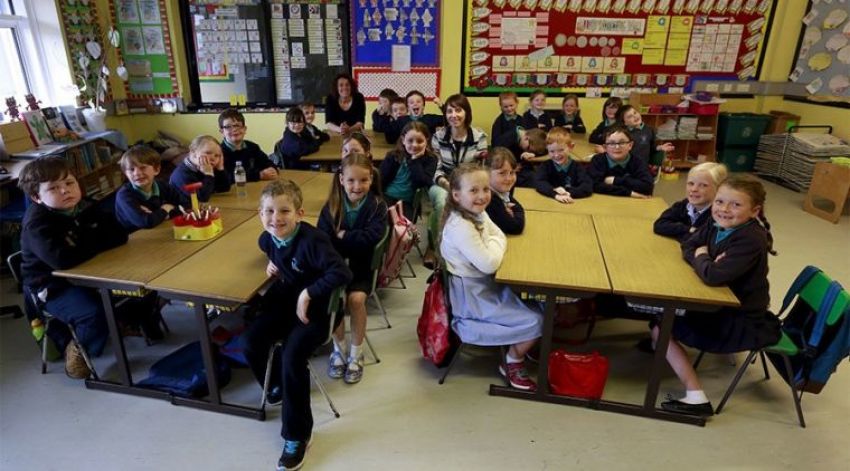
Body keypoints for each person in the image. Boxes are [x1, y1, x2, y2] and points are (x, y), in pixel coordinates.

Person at [242, 180, 352, 470]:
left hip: (319, 310)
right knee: (251, 340)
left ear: (300, 214)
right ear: (259, 214)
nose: (275, 218)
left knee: (293, 357)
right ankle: (279, 387)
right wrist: (271, 262)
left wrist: (308, 293)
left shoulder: (313, 241)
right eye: (268, 211)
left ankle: (298, 435)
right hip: (287, 303)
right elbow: (266, 245)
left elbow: (342, 272)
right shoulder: (268, 238)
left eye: (284, 211)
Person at [18, 157, 156, 379]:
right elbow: (63, 260)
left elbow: (119, 235)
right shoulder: (37, 224)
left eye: (69, 183)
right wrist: (95, 240)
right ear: (36, 197)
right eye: (53, 188)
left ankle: (120, 323)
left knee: (145, 285)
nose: (65, 191)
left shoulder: (85, 205)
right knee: (93, 314)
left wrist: (84, 243)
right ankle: (78, 351)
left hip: (92, 270)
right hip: (52, 286)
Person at [658, 175, 781, 416]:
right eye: (720, 202)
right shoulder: (717, 224)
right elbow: (689, 244)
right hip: (722, 303)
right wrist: (705, 258)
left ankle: (696, 397)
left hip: (740, 318)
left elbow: (713, 276)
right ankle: (664, 347)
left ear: (754, 210)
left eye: (736, 205)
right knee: (662, 319)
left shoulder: (750, 239)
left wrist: (703, 258)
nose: (724, 209)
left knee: (660, 325)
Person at [439, 163, 543, 391]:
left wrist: (493, 244)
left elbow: (498, 234)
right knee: (538, 320)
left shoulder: (477, 212)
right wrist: (495, 245)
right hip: (472, 300)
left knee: (543, 306)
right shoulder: (460, 226)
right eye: (473, 190)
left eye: (486, 189)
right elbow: (490, 263)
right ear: (456, 195)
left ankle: (518, 346)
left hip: (485, 288)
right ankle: (512, 361)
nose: (482, 196)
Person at [317, 153, 387, 385]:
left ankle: (356, 353)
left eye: (363, 180)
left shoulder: (377, 205)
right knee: (334, 297)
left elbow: (372, 238)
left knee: (356, 300)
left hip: (362, 267)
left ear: (371, 179)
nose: (357, 186)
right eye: (351, 181)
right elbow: (324, 239)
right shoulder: (331, 205)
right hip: (335, 267)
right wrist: (351, 239)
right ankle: (339, 349)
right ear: (341, 179)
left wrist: (344, 235)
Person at [427, 93, 488, 267]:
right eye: (449, 111)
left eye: (458, 110)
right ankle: (438, 248)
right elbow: (435, 168)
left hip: (470, 185)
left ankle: (470, 246)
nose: (454, 115)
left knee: (476, 202)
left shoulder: (479, 137)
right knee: (442, 201)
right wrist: (448, 186)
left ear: (467, 112)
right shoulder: (438, 137)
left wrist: (465, 190)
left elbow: (480, 170)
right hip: (442, 182)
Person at [115, 145, 187, 232]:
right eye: (131, 169)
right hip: (136, 238)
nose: (137, 173)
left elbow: (186, 205)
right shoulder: (124, 195)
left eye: (143, 167)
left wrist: (157, 215)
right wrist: (166, 208)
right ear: (126, 174)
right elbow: (146, 222)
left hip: (159, 229)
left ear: (156, 169)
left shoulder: (162, 186)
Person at [654, 162, 728, 241]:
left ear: (719, 188)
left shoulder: (720, 216)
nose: (694, 189)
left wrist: (678, 231)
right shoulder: (684, 205)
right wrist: (688, 229)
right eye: (691, 183)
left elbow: (701, 241)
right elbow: (659, 225)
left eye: (703, 185)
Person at [380, 121, 438, 219]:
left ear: (427, 140)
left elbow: (422, 182)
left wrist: (414, 160)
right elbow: (381, 180)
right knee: (381, 220)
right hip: (387, 196)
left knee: (404, 227)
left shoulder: (431, 159)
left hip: (407, 202)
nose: (414, 145)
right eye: (410, 141)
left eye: (420, 141)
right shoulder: (393, 156)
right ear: (403, 140)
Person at [587, 125, 654, 198]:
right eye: (612, 143)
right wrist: (629, 193)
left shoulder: (638, 162)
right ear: (605, 147)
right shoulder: (598, 160)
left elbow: (647, 187)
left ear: (630, 145)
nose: (617, 147)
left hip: (631, 204)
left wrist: (615, 180)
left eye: (622, 143)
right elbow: (593, 185)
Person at [218, 109, 278, 183]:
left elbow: (268, 163)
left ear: (244, 129)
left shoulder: (253, 147)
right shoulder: (218, 152)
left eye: (237, 125)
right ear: (222, 131)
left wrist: (272, 170)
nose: (234, 129)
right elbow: (227, 177)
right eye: (228, 127)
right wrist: (258, 175)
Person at [534, 127, 593, 203]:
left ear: (571, 147)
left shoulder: (578, 168)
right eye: (552, 151)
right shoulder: (545, 166)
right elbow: (539, 183)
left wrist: (568, 193)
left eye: (561, 150)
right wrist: (555, 193)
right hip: (549, 203)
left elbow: (587, 186)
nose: (556, 155)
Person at [170, 135, 232, 202]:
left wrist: (220, 168)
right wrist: (208, 174)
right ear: (193, 152)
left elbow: (224, 188)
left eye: (217, 155)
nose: (213, 158)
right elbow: (201, 198)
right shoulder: (182, 174)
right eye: (208, 153)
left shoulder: (206, 167)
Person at [486, 147, 525, 235]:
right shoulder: (490, 199)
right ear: (487, 173)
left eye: (512, 172)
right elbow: (516, 227)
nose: (508, 178)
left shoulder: (500, 191)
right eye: (502, 173)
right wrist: (515, 209)